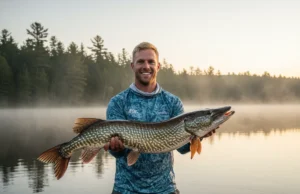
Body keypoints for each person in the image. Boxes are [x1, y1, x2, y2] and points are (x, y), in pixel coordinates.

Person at [105, 42, 215, 194]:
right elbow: (118, 153)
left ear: (158, 66)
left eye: (151, 62)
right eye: (141, 62)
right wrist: (115, 149)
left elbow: (182, 148)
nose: (146, 66)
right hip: (125, 190)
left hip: (165, 189)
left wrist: (200, 135)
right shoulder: (118, 102)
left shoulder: (172, 102)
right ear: (132, 66)